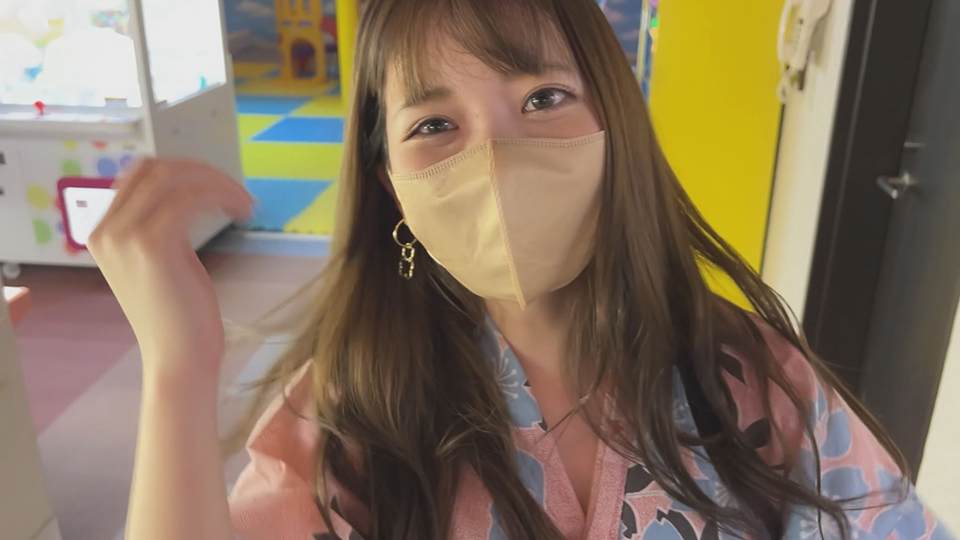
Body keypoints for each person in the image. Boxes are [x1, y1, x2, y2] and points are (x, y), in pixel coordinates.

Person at [91, 0, 954, 538]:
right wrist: (177, 372)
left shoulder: (755, 382)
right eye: (435, 125)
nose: (496, 160)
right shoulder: (353, 410)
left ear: (613, 127)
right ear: (392, 187)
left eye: (543, 97)